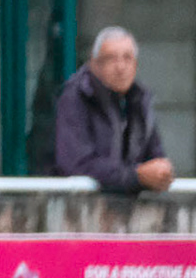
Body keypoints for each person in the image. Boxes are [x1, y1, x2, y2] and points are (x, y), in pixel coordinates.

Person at [54, 26, 175, 194]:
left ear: (136, 65)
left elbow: (155, 157)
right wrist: (136, 176)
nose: (121, 67)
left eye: (127, 58)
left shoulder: (140, 100)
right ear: (94, 64)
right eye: (111, 58)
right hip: (73, 208)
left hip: (125, 211)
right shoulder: (75, 96)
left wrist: (161, 172)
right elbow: (75, 164)